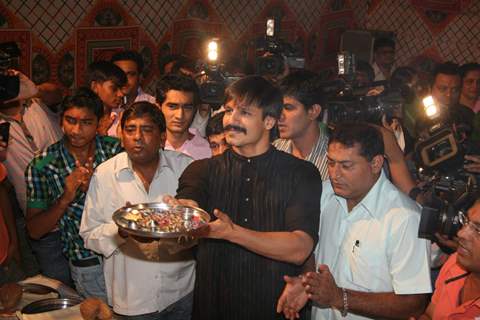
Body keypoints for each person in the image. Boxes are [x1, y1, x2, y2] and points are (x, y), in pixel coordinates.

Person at [168, 75, 322, 320]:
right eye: (229, 111)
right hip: (213, 309)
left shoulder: (301, 173)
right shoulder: (202, 170)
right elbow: (190, 204)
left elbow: (299, 248)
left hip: (276, 309)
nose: (232, 120)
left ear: (269, 121)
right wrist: (180, 212)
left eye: (245, 113)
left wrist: (232, 233)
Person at [278, 123, 431, 320]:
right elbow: (312, 251)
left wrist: (339, 297)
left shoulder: (404, 218)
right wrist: (307, 281)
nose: (335, 174)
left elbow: (414, 303)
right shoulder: (324, 194)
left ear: (375, 163)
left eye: (346, 165)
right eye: (331, 163)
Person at [80, 102, 195, 319]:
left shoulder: (186, 168)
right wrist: (121, 231)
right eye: (130, 130)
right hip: (133, 298)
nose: (137, 137)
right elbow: (89, 234)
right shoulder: (105, 175)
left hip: (182, 290)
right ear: (121, 136)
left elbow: (201, 224)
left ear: (162, 138)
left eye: (147, 129)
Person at [25, 87, 121, 297]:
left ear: (99, 123)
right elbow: (34, 230)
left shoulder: (115, 151)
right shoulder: (43, 164)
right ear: (61, 121)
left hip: (123, 254)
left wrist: (97, 189)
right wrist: (66, 197)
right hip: (86, 261)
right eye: (71, 120)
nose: (77, 130)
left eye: (86, 122)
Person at [412, 200, 480, 319]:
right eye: (466, 221)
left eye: (478, 230)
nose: (461, 233)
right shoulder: (455, 264)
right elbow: (430, 314)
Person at [273, 70, 329, 180]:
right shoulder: (274, 150)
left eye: (288, 108)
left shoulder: (334, 159)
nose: (279, 116)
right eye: (278, 108)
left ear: (313, 111)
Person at [156, 73, 211, 160]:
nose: (180, 115)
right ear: (158, 108)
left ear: (195, 109)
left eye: (187, 107)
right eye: (172, 107)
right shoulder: (149, 147)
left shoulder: (208, 150)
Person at [86, 60, 127, 137]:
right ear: (95, 87)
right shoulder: (81, 118)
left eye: (121, 88)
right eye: (114, 88)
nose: (121, 94)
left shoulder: (124, 118)